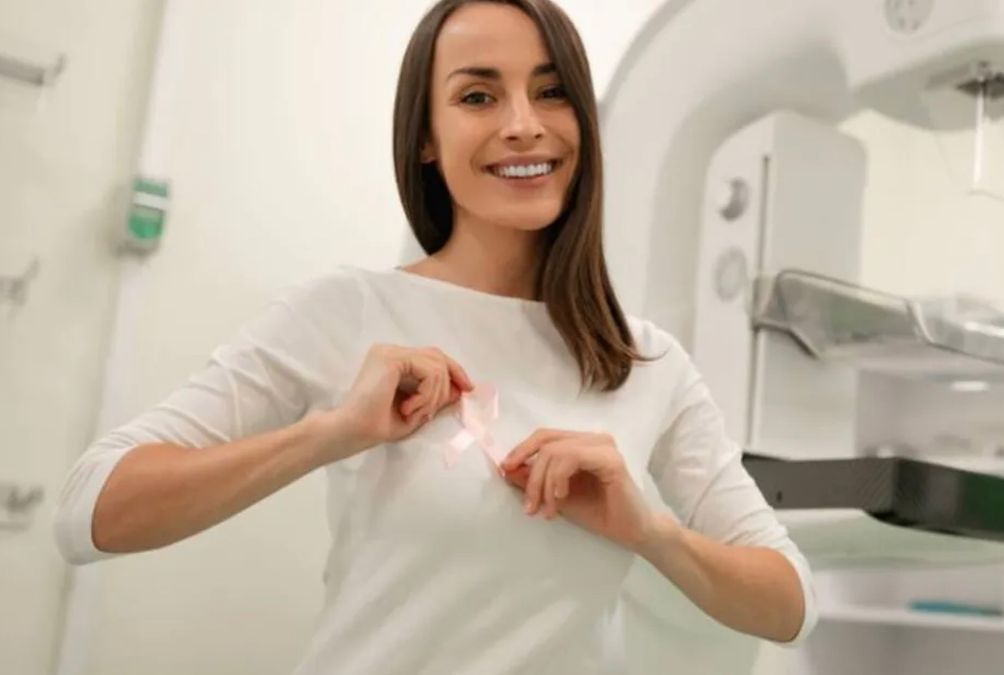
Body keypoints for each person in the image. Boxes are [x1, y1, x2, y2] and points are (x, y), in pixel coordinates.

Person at [53, 0, 817, 672]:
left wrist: (651, 530)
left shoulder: (645, 364)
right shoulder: (348, 312)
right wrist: (332, 433)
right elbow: (90, 510)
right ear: (426, 136)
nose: (524, 123)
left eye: (551, 92)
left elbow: (790, 601)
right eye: (479, 95)